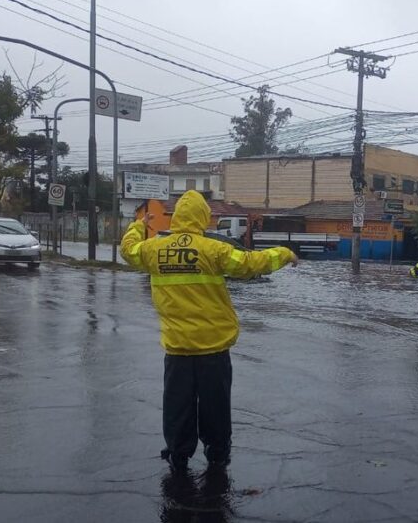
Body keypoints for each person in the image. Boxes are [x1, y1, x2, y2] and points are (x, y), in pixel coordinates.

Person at [121, 190, 297, 474]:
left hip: (177, 348)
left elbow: (128, 250)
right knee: (215, 405)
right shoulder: (213, 249)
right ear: (203, 217)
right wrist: (284, 253)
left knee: (177, 404)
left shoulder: (154, 250)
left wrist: (139, 225)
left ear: (177, 217)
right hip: (213, 347)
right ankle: (217, 455)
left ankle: (178, 453)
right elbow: (251, 264)